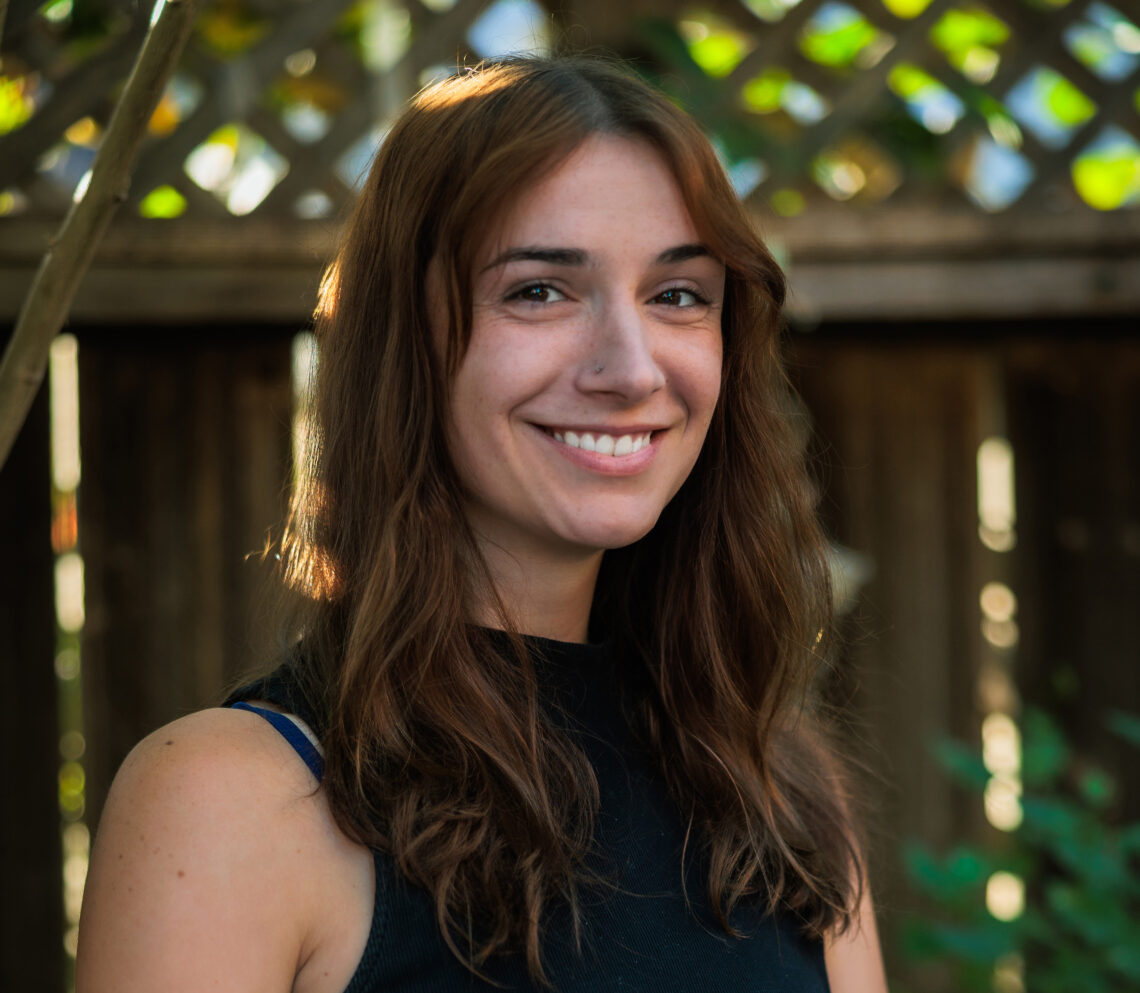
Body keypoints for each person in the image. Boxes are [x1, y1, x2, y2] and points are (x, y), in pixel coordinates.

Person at [76, 56, 888, 992]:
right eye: (539, 289)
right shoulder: (231, 803)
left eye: (678, 295)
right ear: (403, 340)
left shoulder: (779, 793)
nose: (630, 368)